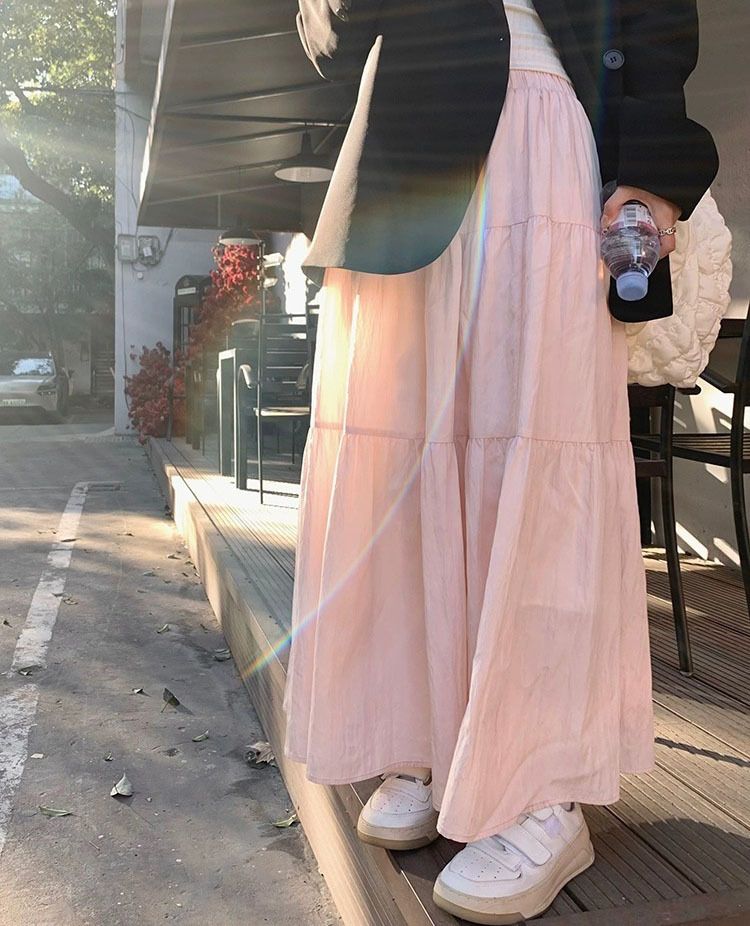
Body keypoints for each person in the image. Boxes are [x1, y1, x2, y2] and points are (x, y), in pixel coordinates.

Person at [283, 1, 719, 921]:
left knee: (540, 448)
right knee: (400, 461)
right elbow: (324, 32)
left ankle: (541, 786)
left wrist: (651, 175)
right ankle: (428, 737)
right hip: (407, 143)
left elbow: (653, 13)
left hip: (544, 130)